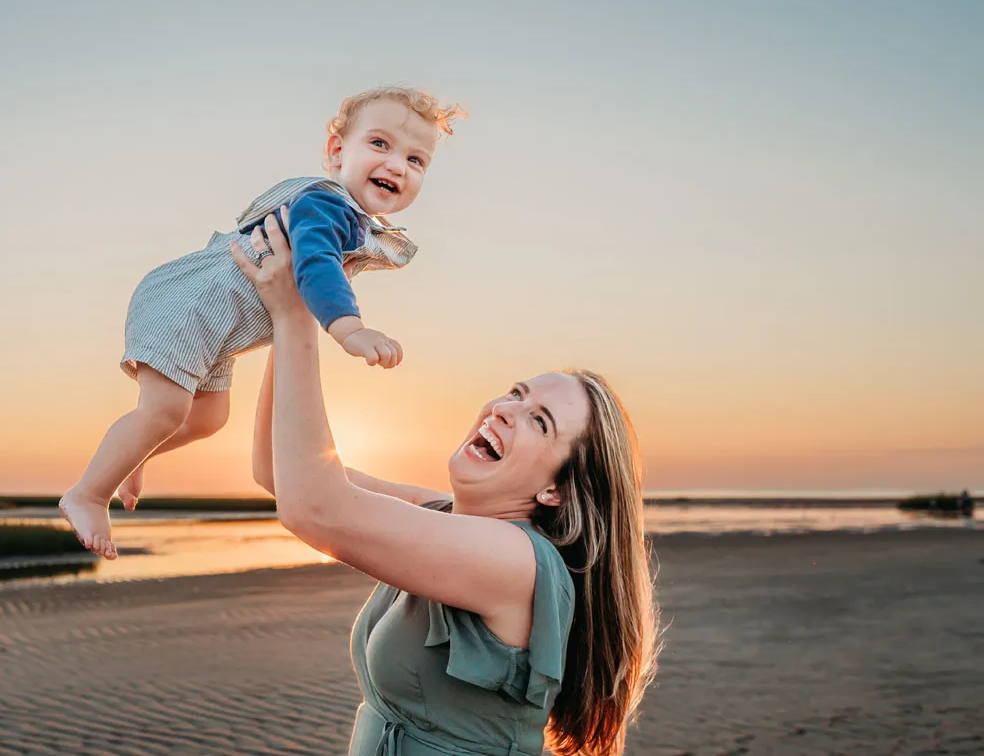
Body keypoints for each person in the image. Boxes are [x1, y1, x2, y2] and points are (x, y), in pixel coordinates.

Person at [233, 212, 660, 756]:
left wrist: (294, 314)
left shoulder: (517, 562)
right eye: (516, 393)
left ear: (558, 491)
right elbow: (279, 472)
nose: (506, 410)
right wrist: (297, 299)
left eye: (540, 421)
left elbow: (314, 508)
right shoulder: (445, 514)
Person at [59, 87, 464, 558]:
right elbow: (315, 267)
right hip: (190, 305)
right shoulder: (325, 206)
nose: (397, 165)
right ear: (336, 152)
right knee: (167, 410)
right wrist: (350, 328)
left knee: (209, 418)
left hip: (214, 328)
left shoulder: (345, 218)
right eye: (380, 144)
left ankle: (130, 453)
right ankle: (88, 493)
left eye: (416, 160)